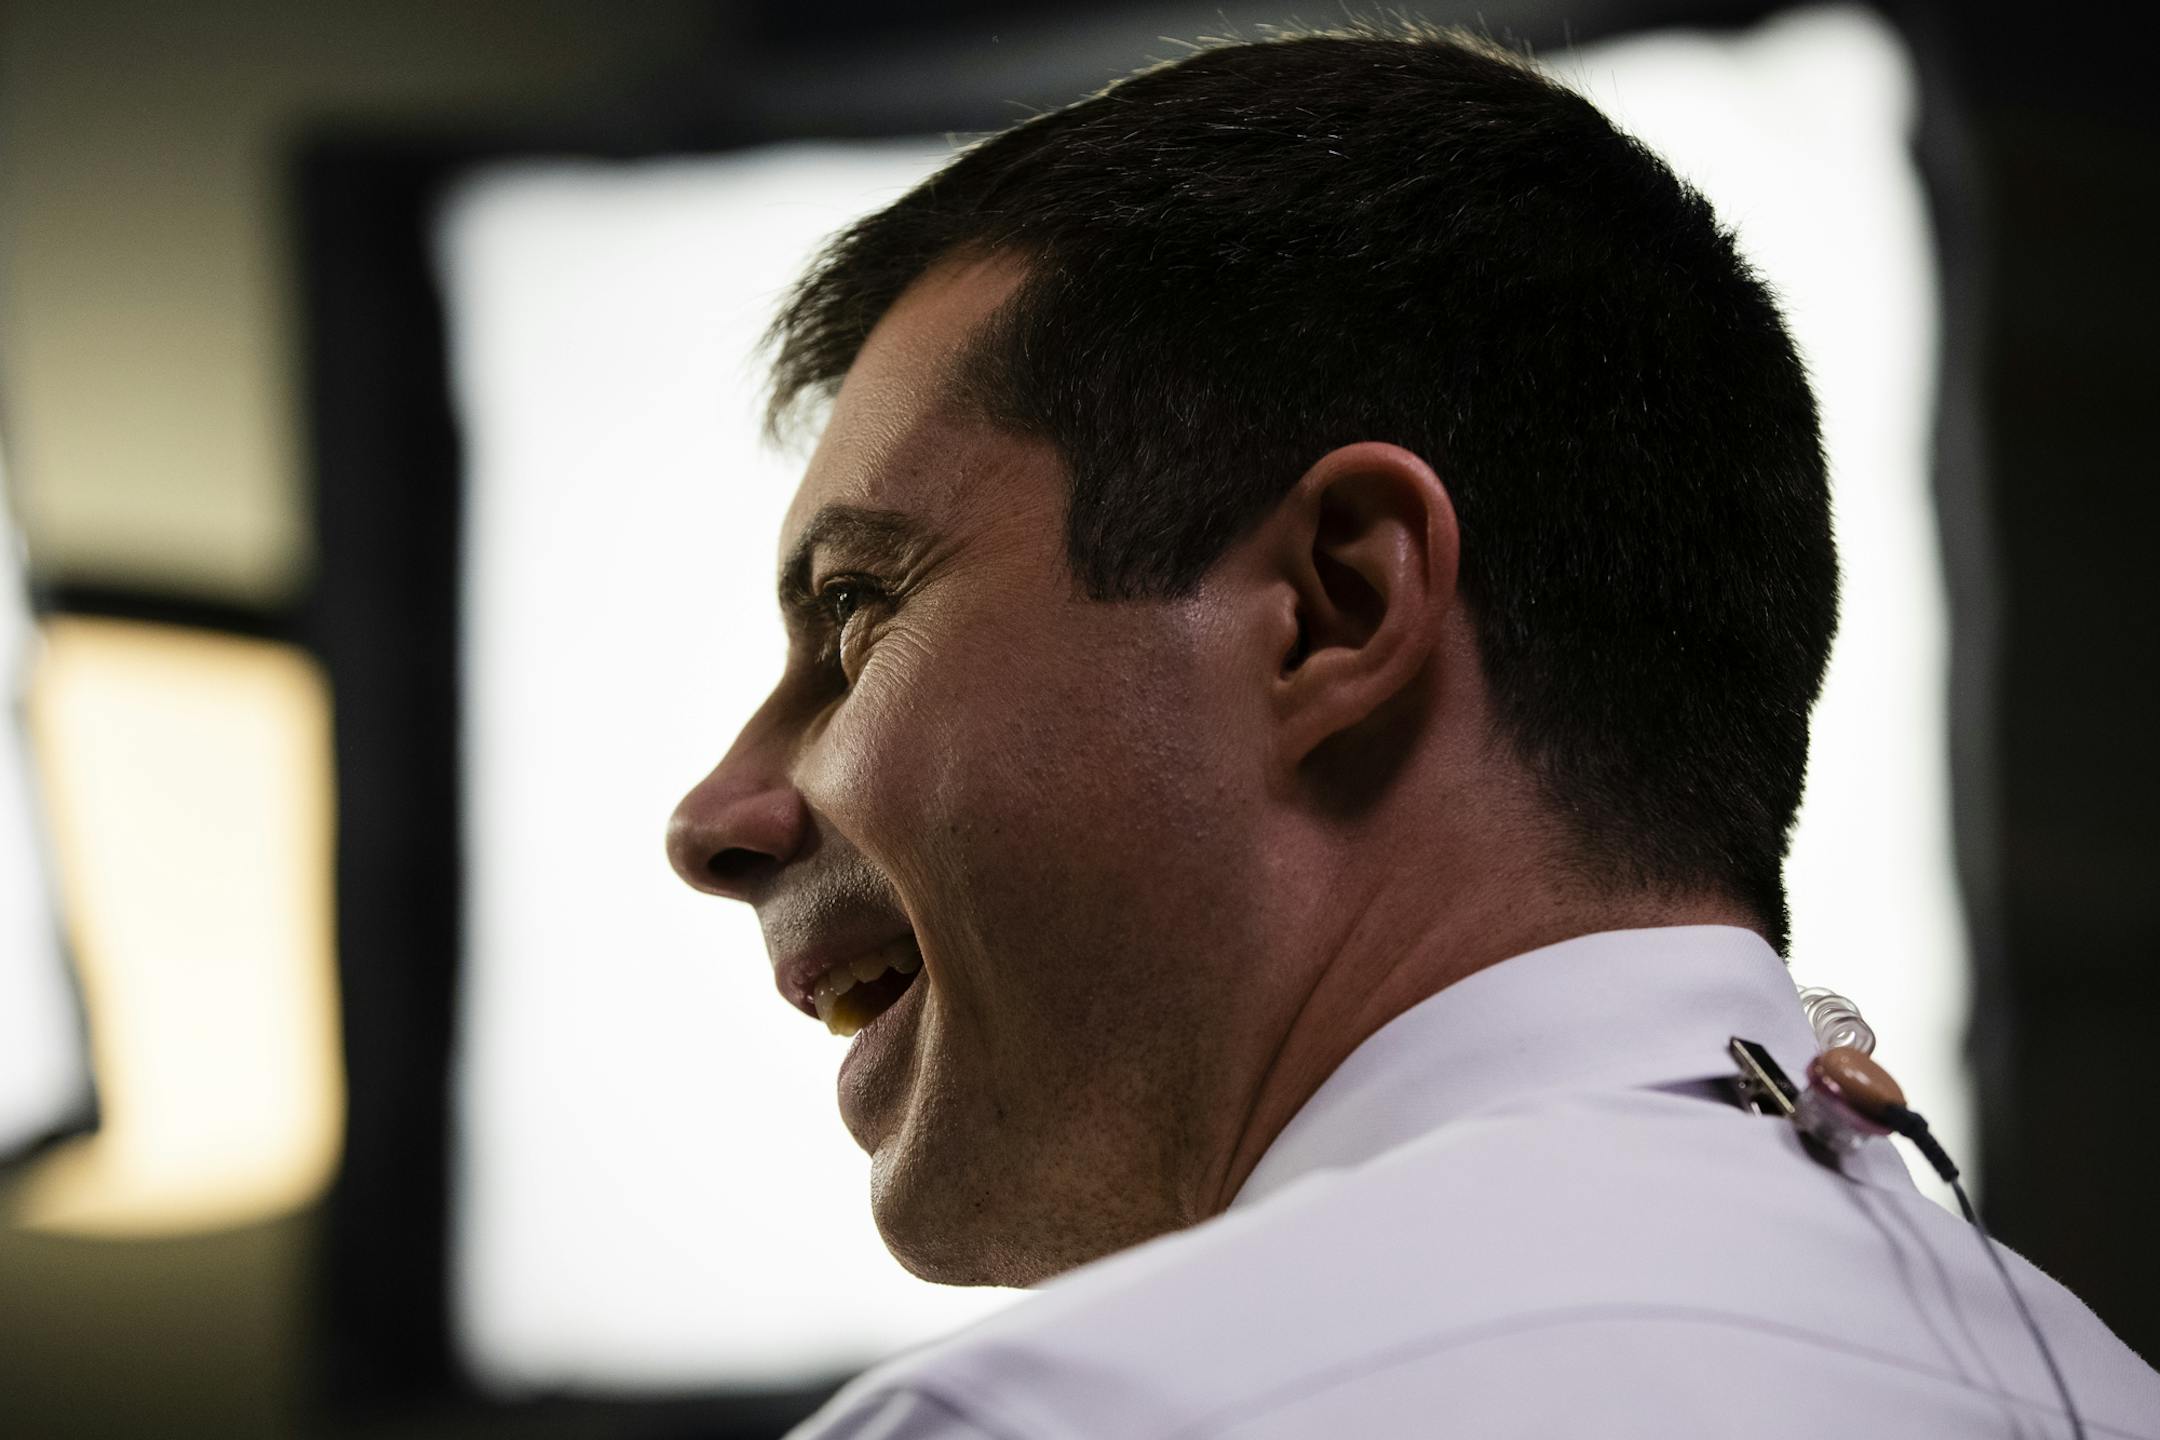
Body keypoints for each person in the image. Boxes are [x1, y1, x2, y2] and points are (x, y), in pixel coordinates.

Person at [665, 21, 2160, 1438]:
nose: (713, 819)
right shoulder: (2104, 1394)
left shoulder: (1063, 1420)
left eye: (855, 612)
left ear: (1337, 607)